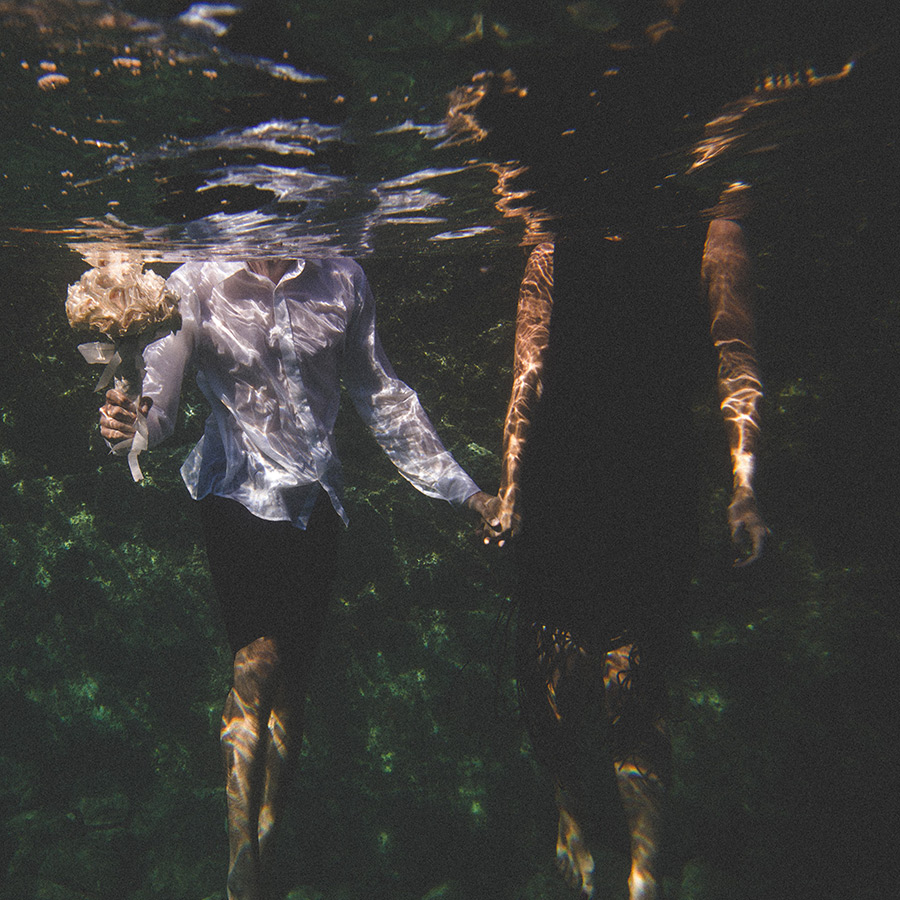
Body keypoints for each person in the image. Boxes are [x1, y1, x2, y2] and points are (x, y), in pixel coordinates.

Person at [99, 256, 496, 900]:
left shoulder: (343, 278)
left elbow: (384, 397)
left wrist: (468, 494)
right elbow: (159, 408)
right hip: (235, 494)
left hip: (317, 503)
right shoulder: (196, 281)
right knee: (255, 661)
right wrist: (129, 427)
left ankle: (269, 837)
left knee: (290, 680)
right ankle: (241, 867)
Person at [480, 205, 767, 900]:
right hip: (565, 470)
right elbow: (529, 368)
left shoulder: (711, 227)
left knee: (638, 671)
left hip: (655, 475)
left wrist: (744, 487)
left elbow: (736, 359)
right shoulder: (555, 236)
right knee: (552, 657)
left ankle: (645, 867)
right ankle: (570, 808)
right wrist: (512, 489)